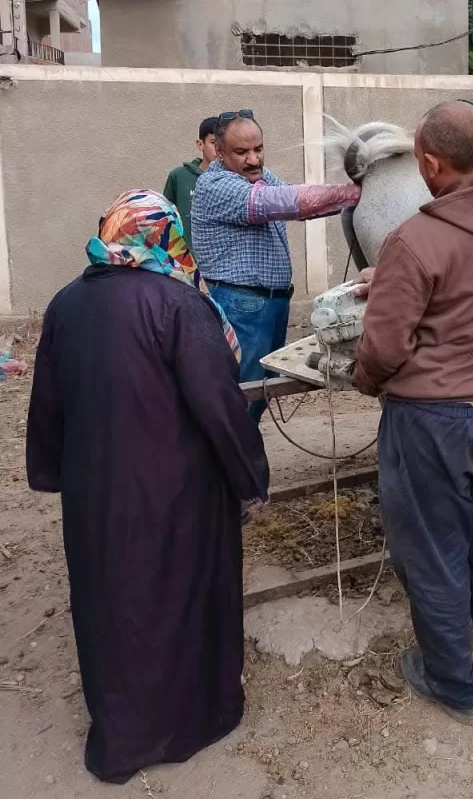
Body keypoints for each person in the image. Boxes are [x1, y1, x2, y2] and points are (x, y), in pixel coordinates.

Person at [26, 189, 269, 784]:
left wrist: (54, 472)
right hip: (177, 492)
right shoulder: (179, 305)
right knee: (184, 599)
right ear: (167, 236)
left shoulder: (65, 305)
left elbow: (47, 405)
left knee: (113, 606)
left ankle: (121, 739)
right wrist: (249, 478)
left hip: (96, 494)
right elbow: (219, 404)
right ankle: (197, 720)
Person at [353, 100, 473, 726]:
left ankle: (452, 682)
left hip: (433, 423)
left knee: (431, 551)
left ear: (432, 163)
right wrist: (389, 278)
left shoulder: (414, 238)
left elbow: (383, 350)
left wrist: (365, 379)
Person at [192, 109, 361, 422]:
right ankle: (228, 466)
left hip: (267, 304)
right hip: (243, 305)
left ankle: (239, 461)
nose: (254, 160)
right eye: (241, 152)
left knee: (258, 397)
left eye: (258, 149)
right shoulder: (216, 185)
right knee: (241, 398)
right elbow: (286, 202)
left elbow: (300, 204)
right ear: (218, 151)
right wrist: (356, 192)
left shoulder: (257, 175)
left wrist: (349, 197)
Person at [162, 116, 219, 249]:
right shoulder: (179, 177)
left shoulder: (233, 179)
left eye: (223, 144)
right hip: (186, 263)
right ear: (200, 144)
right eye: (213, 142)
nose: (219, 149)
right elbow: (165, 219)